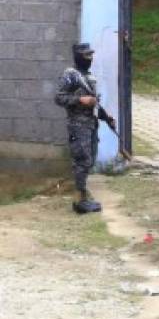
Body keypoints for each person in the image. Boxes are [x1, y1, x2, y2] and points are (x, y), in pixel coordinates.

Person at [55, 43, 115, 214]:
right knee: (82, 161)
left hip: (91, 125)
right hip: (78, 125)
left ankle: (82, 194)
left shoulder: (89, 76)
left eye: (91, 55)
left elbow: (94, 102)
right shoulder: (70, 75)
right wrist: (79, 100)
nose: (90, 58)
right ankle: (79, 201)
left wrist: (106, 117)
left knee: (89, 160)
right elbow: (59, 97)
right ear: (78, 56)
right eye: (86, 56)